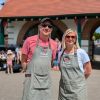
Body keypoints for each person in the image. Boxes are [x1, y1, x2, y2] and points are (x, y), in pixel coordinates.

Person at [21, 18, 57, 100]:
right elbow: (23, 60)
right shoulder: (29, 40)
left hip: (45, 81)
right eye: (44, 25)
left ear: (51, 29)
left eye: (49, 26)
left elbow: (50, 62)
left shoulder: (54, 44)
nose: (47, 28)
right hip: (31, 80)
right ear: (39, 27)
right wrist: (28, 73)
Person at [58, 29, 92, 100]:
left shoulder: (81, 52)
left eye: (73, 37)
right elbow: (61, 69)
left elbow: (88, 71)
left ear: (75, 39)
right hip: (63, 90)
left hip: (78, 91)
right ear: (64, 38)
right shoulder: (60, 53)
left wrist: (78, 82)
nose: (70, 38)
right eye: (68, 36)